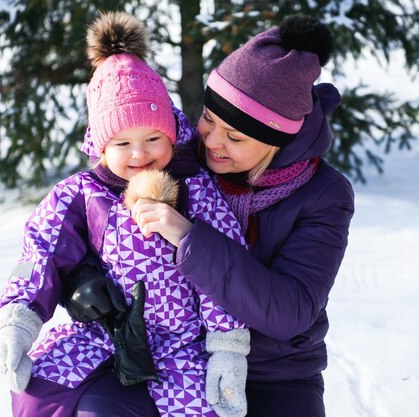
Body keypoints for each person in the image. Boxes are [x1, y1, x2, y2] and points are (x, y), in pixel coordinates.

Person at [64, 14, 355, 417]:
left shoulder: (322, 194)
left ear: (276, 142)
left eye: (234, 137)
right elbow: (90, 219)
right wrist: (81, 281)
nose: (212, 141)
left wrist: (191, 239)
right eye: (208, 119)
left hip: (273, 372)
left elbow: (291, 311)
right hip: (161, 357)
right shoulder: (175, 154)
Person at [0, 11, 251, 417]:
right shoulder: (82, 194)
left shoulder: (196, 189)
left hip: (179, 343)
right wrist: (19, 320)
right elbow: (40, 252)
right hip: (100, 332)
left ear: (172, 134)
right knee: (39, 393)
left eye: (153, 138)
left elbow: (222, 268)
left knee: (204, 409)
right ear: (99, 144)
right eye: (122, 142)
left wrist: (228, 347)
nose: (139, 154)